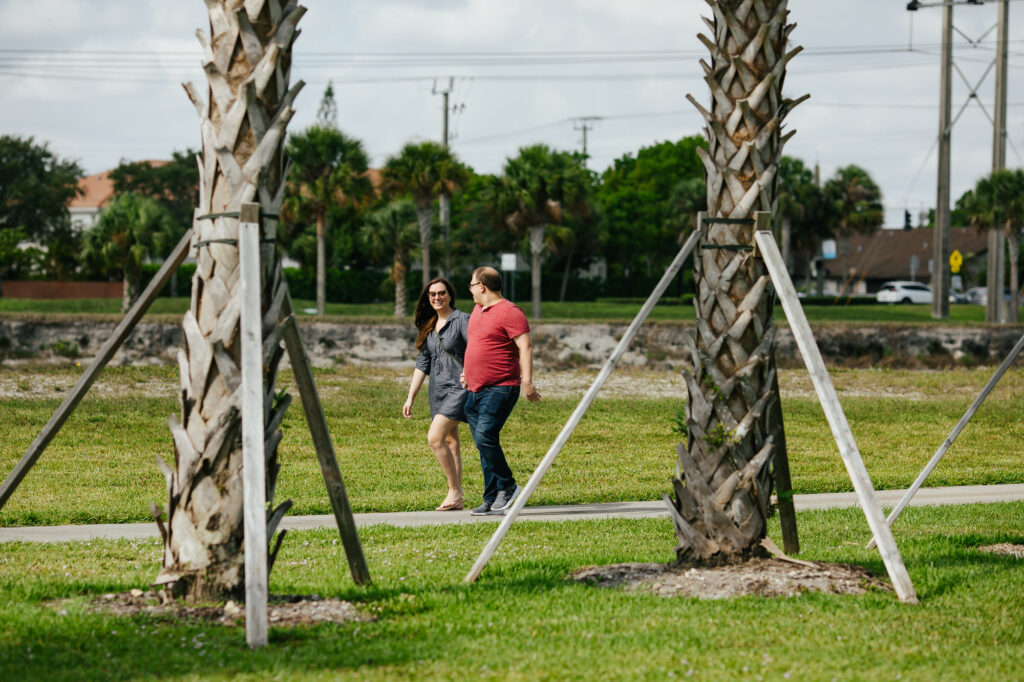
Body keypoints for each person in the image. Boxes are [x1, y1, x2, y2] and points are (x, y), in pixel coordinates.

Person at [460, 266, 541, 516]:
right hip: (474, 390)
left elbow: (525, 347)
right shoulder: (477, 310)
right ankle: (491, 497)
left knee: (485, 436)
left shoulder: (510, 312)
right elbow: (476, 345)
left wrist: (527, 382)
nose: (471, 290)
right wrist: (466, 371)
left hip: (501, 388)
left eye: (472, 285)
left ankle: (508, 485)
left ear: (481, 286)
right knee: (484, 445)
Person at [403, 277, 469, 511]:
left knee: (434, 438)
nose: (437, 298)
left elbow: (475, 350)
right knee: (451, 441)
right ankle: (456, 499)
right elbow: (423, 362)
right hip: (437, 389)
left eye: (441, 293)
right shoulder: (429, 324)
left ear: (450, 295)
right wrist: (411, 396)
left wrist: (471, 373)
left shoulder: (462, 320)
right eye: (432, 294)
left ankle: (454, 490)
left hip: (459, 388)